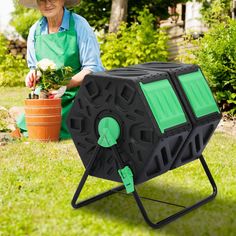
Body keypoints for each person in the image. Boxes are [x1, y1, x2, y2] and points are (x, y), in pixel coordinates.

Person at [17, 0, 104, 139]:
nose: (47, 4)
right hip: (48, 94)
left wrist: (67, 83)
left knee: (67, 123)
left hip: (77, 93)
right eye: (42, 0)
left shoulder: (79, 25)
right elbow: (34, 67)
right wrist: (32, 75)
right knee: (31, 122)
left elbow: (93, 68)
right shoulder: (35, 30)